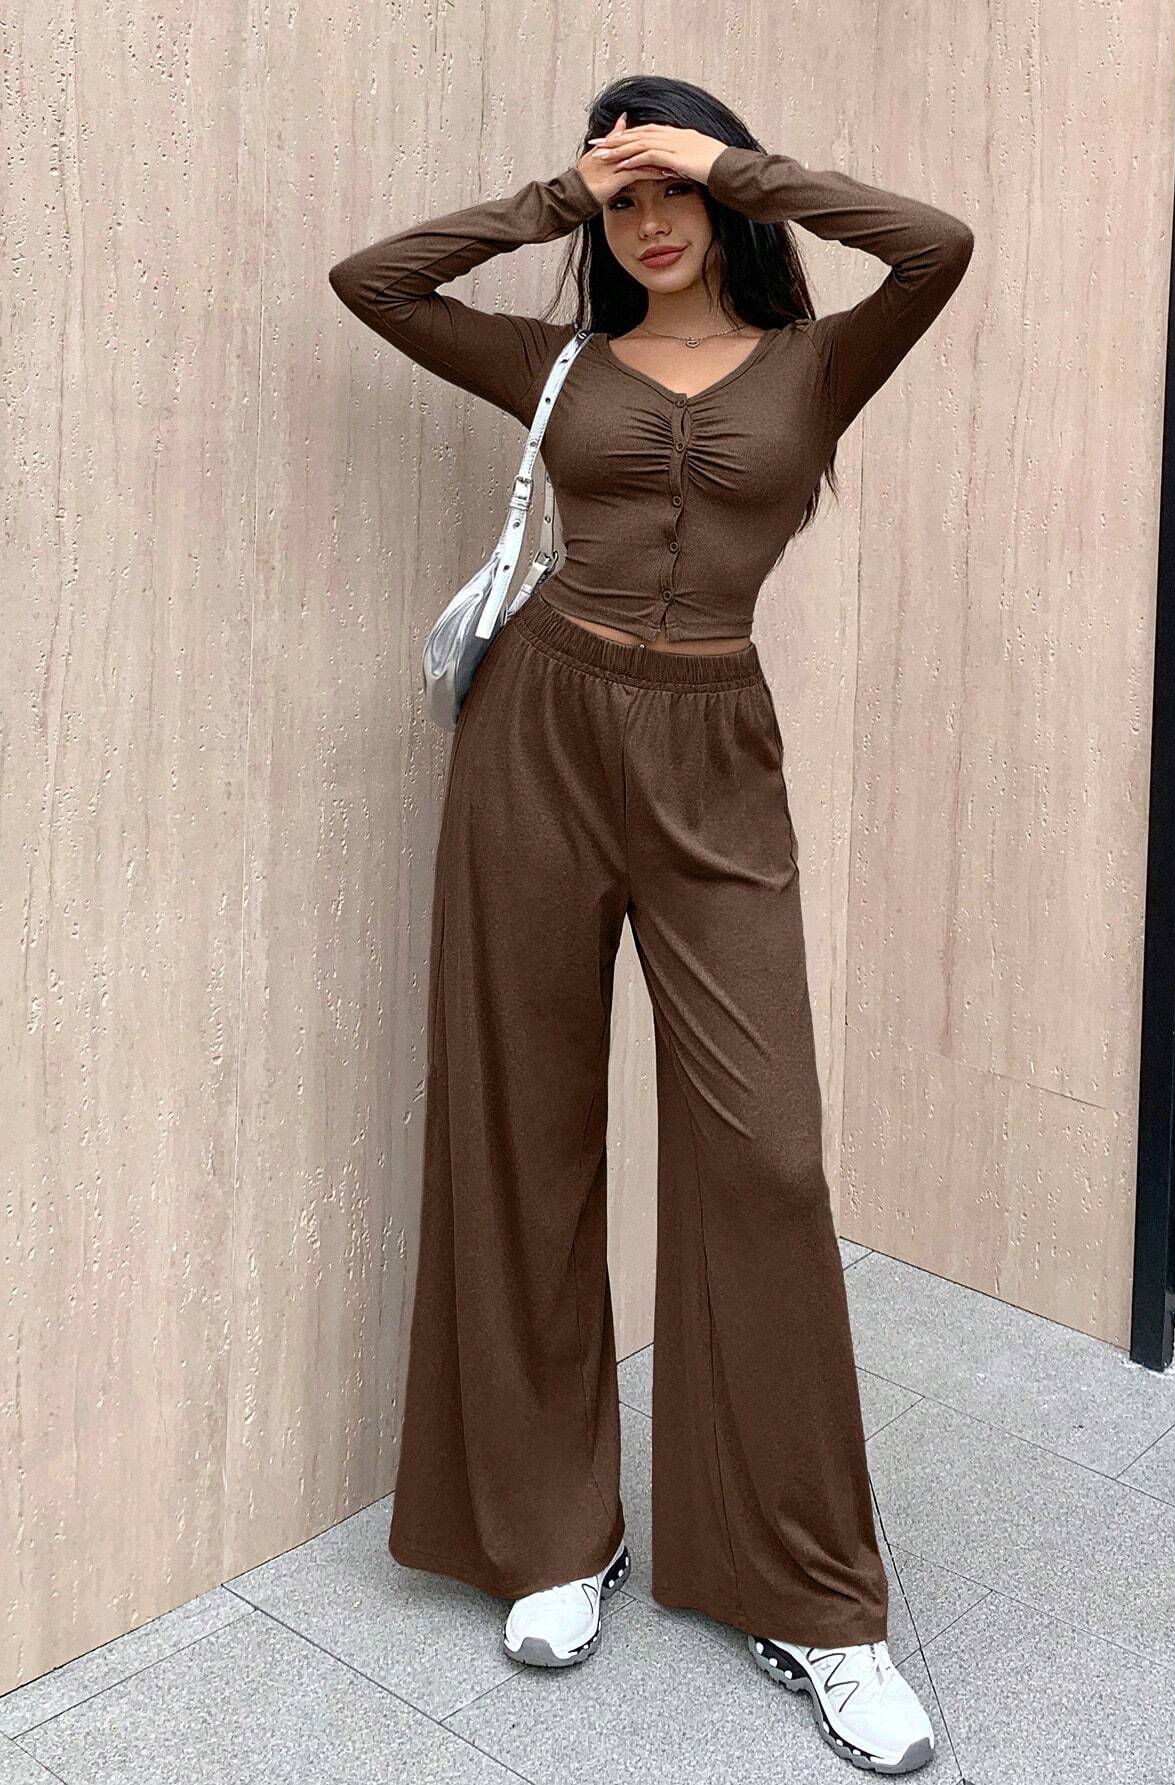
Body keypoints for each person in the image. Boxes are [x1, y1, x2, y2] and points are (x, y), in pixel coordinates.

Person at [329, 72, 972, 1778]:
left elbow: (937, 246)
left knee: (768, 1154)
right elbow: (373, 281)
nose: (653, 218)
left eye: (672, 186)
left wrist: (740, 164)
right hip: (536, 737)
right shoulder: (557, 363)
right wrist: (558, 193)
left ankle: (812, 1595)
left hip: (713, 751)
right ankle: (553, 1531)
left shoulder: (817, 364)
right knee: (527, 1126)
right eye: (625, 199)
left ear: (726, 196)